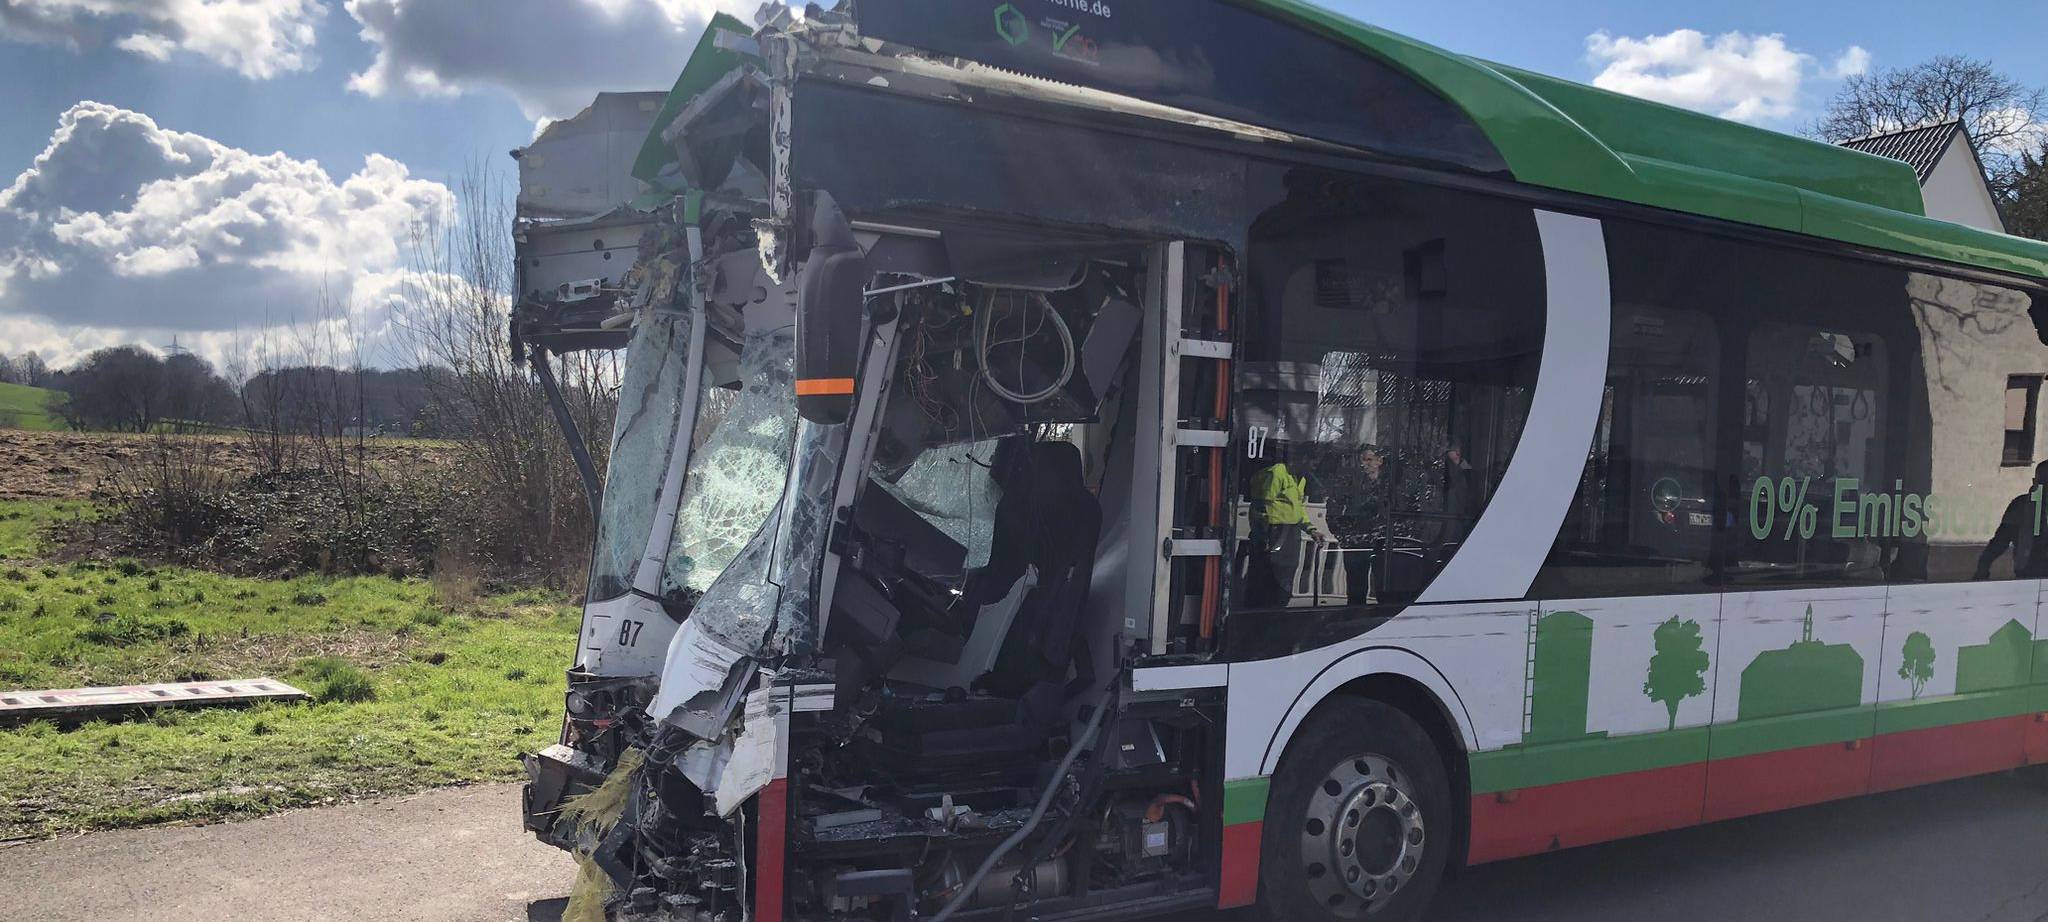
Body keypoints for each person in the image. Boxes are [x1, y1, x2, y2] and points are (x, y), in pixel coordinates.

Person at [1249, 447, 1312, 607]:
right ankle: (1263, 609)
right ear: (1302, 460)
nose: (1313, 467)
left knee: (1286, 575)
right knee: (1267, 575)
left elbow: (1297, 508)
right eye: (1312, 463)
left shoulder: (1301, 478)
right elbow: (1262, 505)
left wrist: (1311, 529)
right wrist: (1264, 536)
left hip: (1292, 532)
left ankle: (1279, 607)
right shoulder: (1277, 473)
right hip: (1274, 530)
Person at [1974, 460, 2048, 580]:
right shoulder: (2021, 506)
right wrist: (1982, 568)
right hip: (2028, 576)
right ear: (2035, 482)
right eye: (2044, 482)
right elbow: (2000, 541)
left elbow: (1999, 542)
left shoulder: (2022, 505)